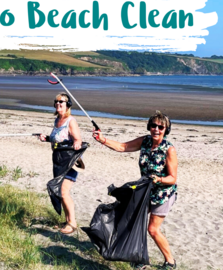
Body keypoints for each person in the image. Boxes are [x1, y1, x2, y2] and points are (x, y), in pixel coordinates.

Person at [92, 111, 178, 270]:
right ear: (149, 127)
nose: (156, 129)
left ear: (166, 129)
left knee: (152, 230)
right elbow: (122, 147)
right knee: (134, 223)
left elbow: (172, 178)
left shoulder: (169, 149)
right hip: (144, 192)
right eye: (153, 125)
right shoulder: (144, 142)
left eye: (161, 126)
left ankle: (170, 262)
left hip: (162, 194)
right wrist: (102, 139)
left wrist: (158, 179)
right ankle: (138, 257)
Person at [39, 92, 82, 234]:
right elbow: (56, 139)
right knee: (60, 190)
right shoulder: (57, 121)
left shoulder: (71, 121)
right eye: (56, 102)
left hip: (69, 162)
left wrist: (76, 143)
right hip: (57, 161)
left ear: (67, 105)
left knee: (64, 192)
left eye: (61, 102)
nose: (58, 104)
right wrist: (46, 138)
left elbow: (78, 139)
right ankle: (67, 220)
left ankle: (72, 223)